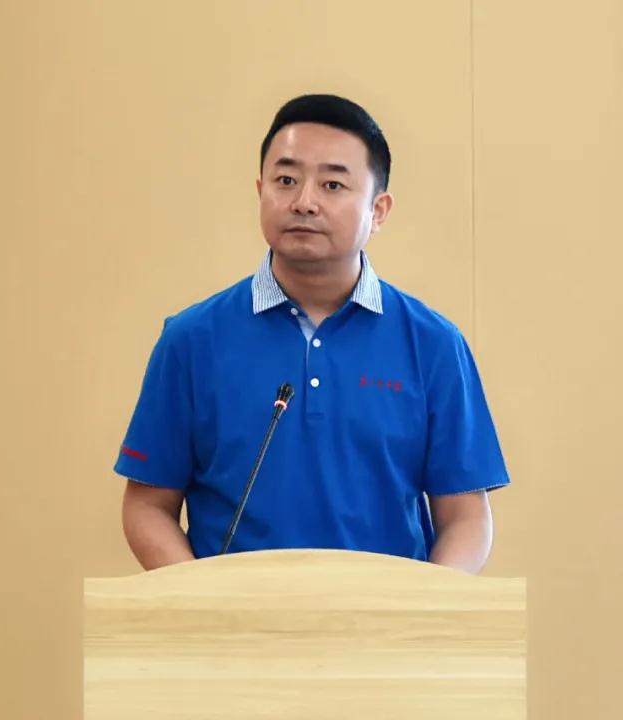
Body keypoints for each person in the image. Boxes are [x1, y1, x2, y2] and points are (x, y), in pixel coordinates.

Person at [115, 94, 509, 573]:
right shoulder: (191, 340)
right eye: (286, 180)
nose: (304, 202)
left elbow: (466, 517)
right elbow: (147, 506)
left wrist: (427, 608)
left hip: (384, 617)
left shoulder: (433, 345)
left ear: (378, 210)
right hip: (235, 618)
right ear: (260, 190)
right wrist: (201, 603)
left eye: (332, 184)